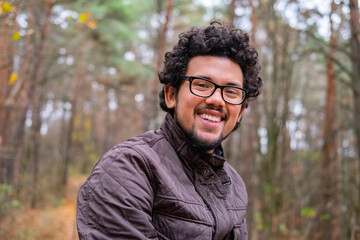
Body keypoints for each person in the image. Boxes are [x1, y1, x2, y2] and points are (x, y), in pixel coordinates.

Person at [76, 20, 262, 240]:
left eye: (231, 91)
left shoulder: (235, 186)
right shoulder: (129, 168)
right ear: (171, 95)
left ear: (240, 111)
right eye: (202, 85)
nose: (216, 100)